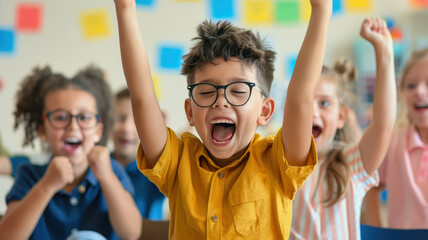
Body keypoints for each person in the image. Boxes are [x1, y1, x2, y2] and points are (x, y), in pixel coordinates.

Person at [113, 0, 331, 238]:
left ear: (265, 111)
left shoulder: (279, 163)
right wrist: (126, 9)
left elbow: (300, 100)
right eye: (206, 92)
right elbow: (142, 97)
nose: (221, 100)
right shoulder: (177, 163)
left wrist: (322, 9)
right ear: (190, 112)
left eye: (238, 91)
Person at [0, 66, 142, 240]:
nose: (73, 127)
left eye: (84, 117)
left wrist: (106, 177)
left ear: (98, 131)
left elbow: (132, 233)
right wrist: (47, 186)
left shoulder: (113, 171)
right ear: (42, 130)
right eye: (60, 117)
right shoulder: (30, 175)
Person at [290, 17, 396, 239]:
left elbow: (383, 126)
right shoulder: (281, 166)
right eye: (307, 103)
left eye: (324, 103)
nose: (314, 112)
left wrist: (384, 51)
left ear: (340, 118)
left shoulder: (352, 165)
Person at [363, 47, 428, 229]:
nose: (419, 91)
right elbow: (370, 186)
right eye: (411, 86)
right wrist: (375, 224)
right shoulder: (393, 142)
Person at [112, 87, 167, 220]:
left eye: (137, 120)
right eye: (120, 118)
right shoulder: (97, 167)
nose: (127, 128)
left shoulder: (155, 170)